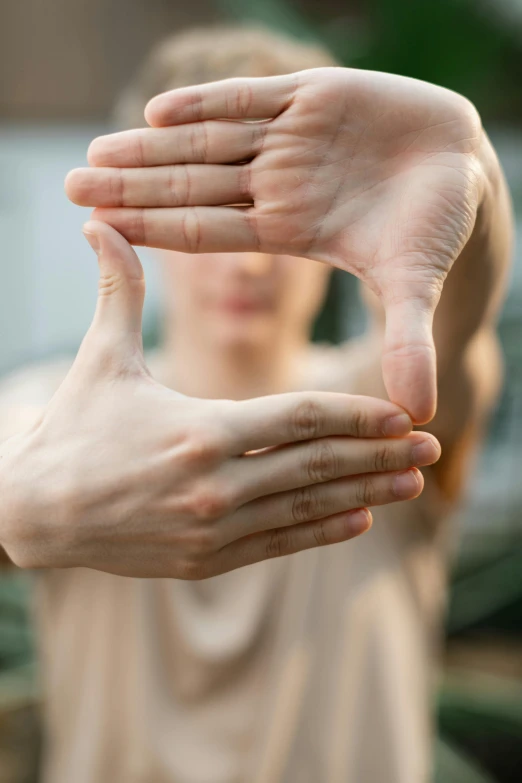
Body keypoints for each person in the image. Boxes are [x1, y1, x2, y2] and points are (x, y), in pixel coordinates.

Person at [0, 25, 512, 783]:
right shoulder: (50, 411)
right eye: (219, 203)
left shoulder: (387, 406)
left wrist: (473, 181)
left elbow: (458, 325)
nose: (247, 261)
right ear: (143, 209)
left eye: (277, 212)